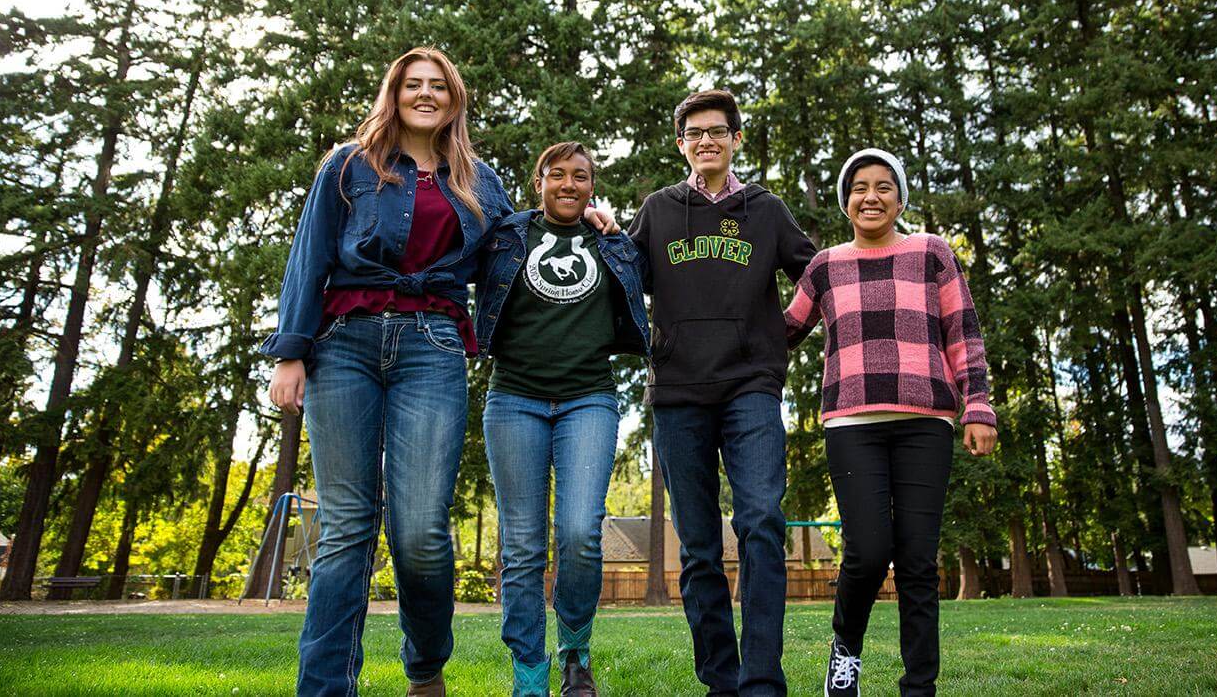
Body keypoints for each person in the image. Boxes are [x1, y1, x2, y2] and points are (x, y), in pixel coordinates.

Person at [262, 47, 613, 697]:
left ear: (454, 100)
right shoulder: (347, 166)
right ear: (394, 93)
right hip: (344, 345)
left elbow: (523, 250)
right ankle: (324, 688)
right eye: (412, 84)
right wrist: (291, 351)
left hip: (434, 347)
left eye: (438, 86)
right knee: (347, 526)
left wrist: (587, 224)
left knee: (421, 529)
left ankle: (424, 666)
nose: (425, 94)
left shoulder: (479, 181)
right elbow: (309, 255)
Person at [783, 148, 998, 697]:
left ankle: (919, 686)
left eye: (883, 187)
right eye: (859, 187)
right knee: (869, 551)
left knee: (919, 561)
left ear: (900, 199)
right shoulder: (825, 265)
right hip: (851, 424)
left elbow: (963, 334)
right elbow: (780, 331)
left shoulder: (932, 252)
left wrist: (978, 407)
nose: (870, 197)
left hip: (925, 421)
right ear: (846, 200)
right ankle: (845, 656)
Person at [629, 89, 817, 697]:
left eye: (718, 130)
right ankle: (721, 681)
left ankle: (762, 680)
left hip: (750, 388)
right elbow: (620, 282)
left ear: (736, 138)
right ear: (681, 143)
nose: (706, 140)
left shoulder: (765, 210)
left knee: (762, 520)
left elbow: (817, 276)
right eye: (694, 132)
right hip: (679, 392)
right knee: (700, 547)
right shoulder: (658, 211)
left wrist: (779, 332)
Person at [474, 141, 650, 697]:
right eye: (557, 175)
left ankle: (575, 651)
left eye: (580, 176)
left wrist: (615, 229)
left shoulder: (614, 243)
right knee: (521, 546)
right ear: (538, 181)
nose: (568, 184)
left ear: (591, 185)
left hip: (587, 400)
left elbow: (655, 282)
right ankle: (530, 673)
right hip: (514, 399)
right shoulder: (505, 236)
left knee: (579, 533)